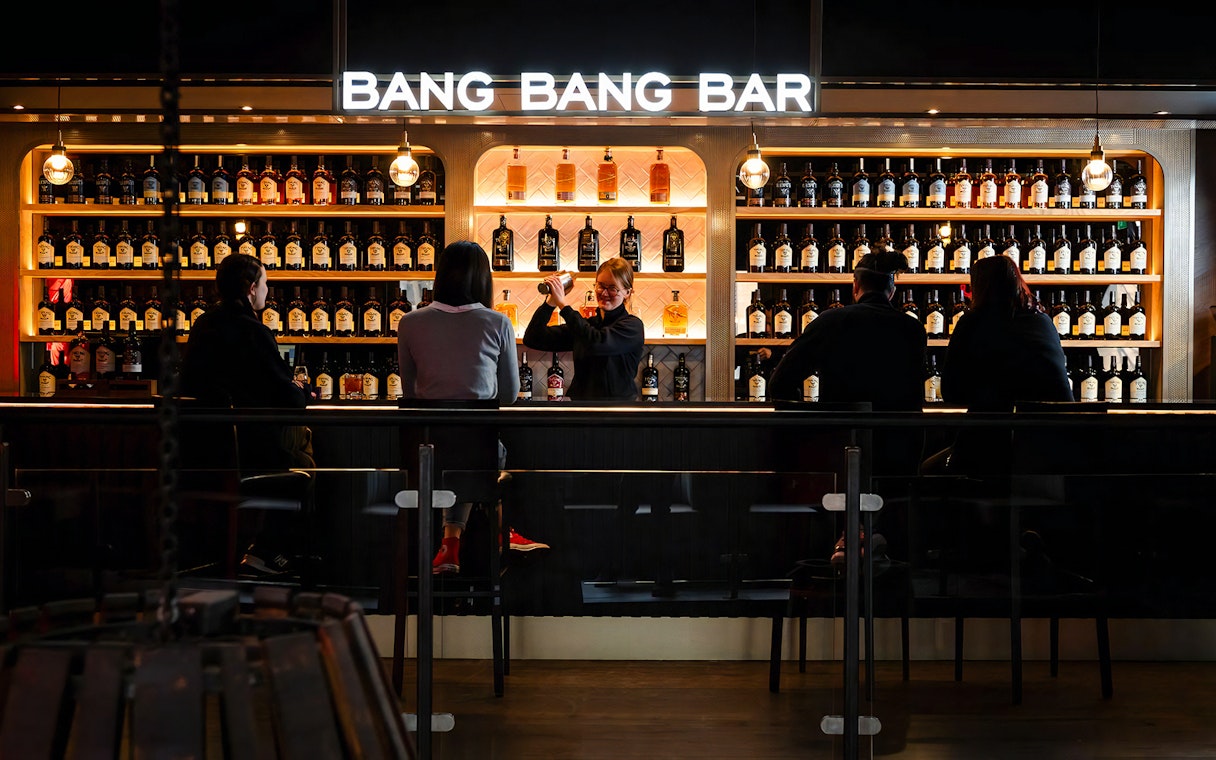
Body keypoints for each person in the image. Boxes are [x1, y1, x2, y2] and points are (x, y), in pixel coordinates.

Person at [397, 241, 547, 574]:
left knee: (456, 452)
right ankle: (499, 531)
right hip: (478, 459)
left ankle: (451, 543)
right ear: (483, 279)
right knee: (485, 451)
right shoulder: (497, 323)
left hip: (423, 460)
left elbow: (411, 394)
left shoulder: (409, 323)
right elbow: (509, 394)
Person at [769, 249, 926, 567]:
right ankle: (874, 543)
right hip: (899, 459)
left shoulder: (832, 321)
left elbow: (780, 385)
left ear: (855, 286)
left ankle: (848, 542)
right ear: (891, 291)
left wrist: (811, 423)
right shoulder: (913, 330)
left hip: (836, 457)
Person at [181, 253, 314, 576]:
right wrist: (302, 390)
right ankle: (271, 550)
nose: (268, 291)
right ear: (252, 288)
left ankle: (246, 548)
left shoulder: (203, 325)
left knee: (296, 448)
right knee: (305, 464)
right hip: (248, 455)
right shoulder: (254, 331)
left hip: (197, 455)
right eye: (266, 283)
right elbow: (288, 396)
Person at [523, 257, 645, 401]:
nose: (604, 293)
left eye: (612, 288)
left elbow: (596, 343)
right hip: (581, 411)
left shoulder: (632, 327)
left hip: (617, 414)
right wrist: (551, 301)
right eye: (600, 286)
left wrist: (564, 306)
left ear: (628, 292)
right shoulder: (586, 326)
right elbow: (533, 338)